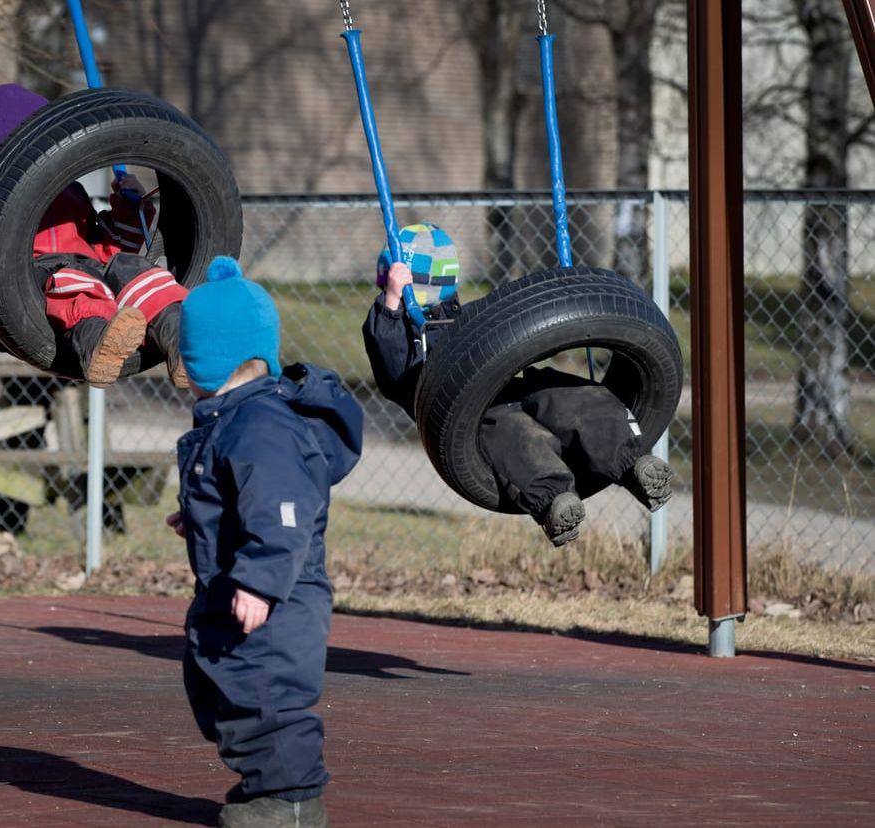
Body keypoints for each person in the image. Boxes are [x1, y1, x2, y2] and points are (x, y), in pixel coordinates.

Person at [166, 256, 362, 828]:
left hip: (278, 597)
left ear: (205, 361)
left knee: (268, 697)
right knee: (221, 687)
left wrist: (260, 579)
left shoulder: (262, 426)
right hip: (242, 587)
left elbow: (283, 513)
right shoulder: (234, 419)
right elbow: (242, 495)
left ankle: (293, 802)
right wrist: (200, 517)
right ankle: (266, 789)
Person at [361, 229, 673, 546]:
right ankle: (554, 501)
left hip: (504, 384)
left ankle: (632, 462)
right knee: (513, 434)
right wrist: (391, 304)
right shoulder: (389, 327)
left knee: (559, 393)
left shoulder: (452, 313)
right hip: (466, 413)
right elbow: (391, 370)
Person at [0, 83, 188, 388]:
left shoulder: (69, 190)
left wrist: (130, 207)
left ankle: (179, 338)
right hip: (31, 281)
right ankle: (97, 344)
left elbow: (109, 249)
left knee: (133, 268)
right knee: (72, 280)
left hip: (89, 269)